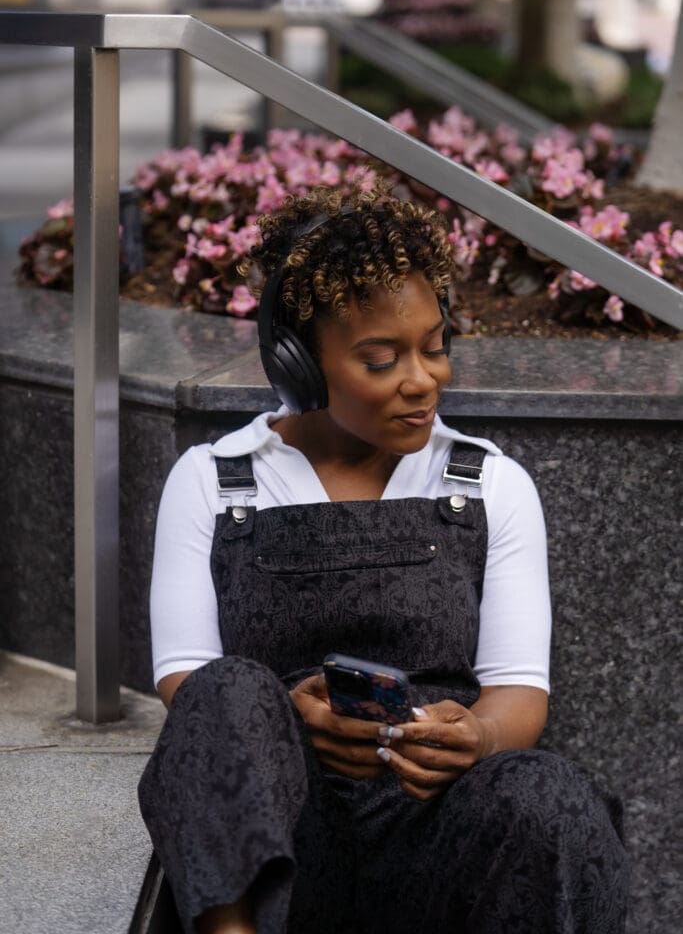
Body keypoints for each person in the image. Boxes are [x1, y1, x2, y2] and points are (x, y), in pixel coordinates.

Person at [138, 185, 628, 934]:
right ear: (301, 363)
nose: (421, 379)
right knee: (226, 687)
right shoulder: (215, 478)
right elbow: (184, 677)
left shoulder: (489, 482)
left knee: (547, 790)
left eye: (433, 347)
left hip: (432, 827)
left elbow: (517, 688)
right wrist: (288, 712)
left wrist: (476, 737)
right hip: (281, 827)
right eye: (380, 359)